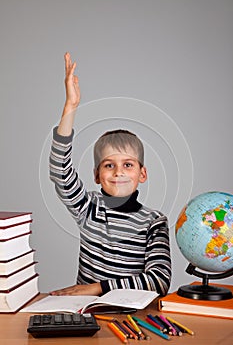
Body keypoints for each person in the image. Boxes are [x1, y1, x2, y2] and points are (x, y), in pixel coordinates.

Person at [49, 52, 171, 296]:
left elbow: (159, 281)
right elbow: (60, 171)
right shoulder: (88, 208)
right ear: (96, 175)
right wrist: (70, 107)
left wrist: (97, 288)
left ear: (142, 173)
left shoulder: (154, 222)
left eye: (128, 165)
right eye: (108, 165)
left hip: (133, 316)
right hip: (87, 313)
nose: (118, 173)